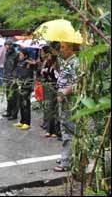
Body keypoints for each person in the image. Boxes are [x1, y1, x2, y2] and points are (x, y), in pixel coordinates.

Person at [54, 42, 80, 172]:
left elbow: (77, 83)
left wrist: (64, 92)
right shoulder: (67, 62)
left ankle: (66, 162)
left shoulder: (75, 62)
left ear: (71, 48)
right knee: (65, 129)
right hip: (64, 101)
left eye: (63, 47)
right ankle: (68, 156)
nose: (61, 50)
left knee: (68, 131)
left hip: (69, 101)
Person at [38, 44, 60, 138]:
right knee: (48, 107)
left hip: (53, 87)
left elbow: (57, 76)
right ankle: (49, 129)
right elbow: (42, 72)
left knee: (52, 108)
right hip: (47, 86)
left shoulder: (56, 63)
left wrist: (54, 70)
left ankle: (54, 130)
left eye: (43, 52)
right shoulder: (46, 62)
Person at [13, 50, 35, 130]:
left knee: (26, 104)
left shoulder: (29, 62)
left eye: (21, 55)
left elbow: (34, 65)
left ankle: (27, 122)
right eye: (19, 55)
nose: (20, 56)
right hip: (20, 85)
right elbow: (17, 72)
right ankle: (22, 121)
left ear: (26, 56)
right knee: (21, 104)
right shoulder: (19, 62)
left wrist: (29, 62)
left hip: (27, 86)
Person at [2, 39, 19, 120]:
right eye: (5, 45)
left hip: (13, 78)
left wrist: (14, 77)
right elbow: (6, 66)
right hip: (7, 77)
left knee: (14, 97)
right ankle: (9, 111)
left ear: (11, 45)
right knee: (8, 96)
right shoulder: (6, 54)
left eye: (8, 45)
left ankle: (14, 114)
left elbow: (17, 67)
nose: (6, 47)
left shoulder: (16, 55)